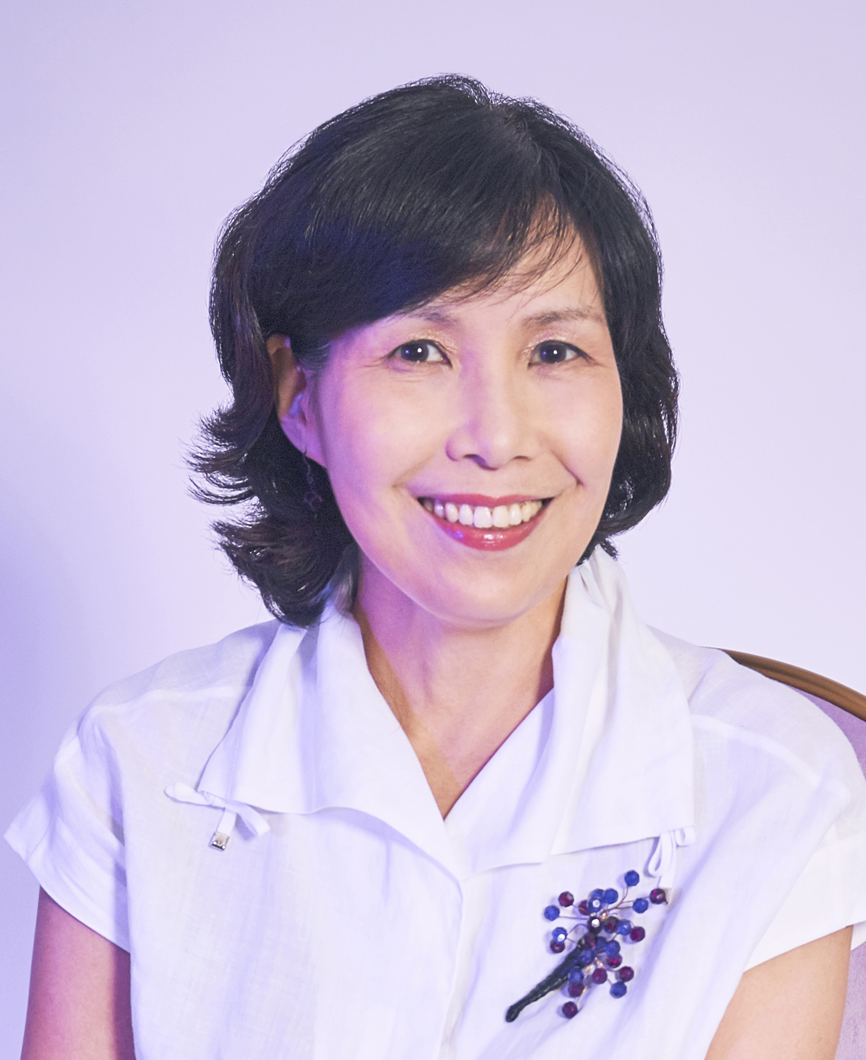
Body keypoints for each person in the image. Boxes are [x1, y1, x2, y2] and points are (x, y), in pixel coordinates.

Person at [7, 76, 866, 1060]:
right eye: (418, 350)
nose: (496, 436)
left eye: (554, 351)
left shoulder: (775, 785)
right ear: (298, 397)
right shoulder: (142, 758)